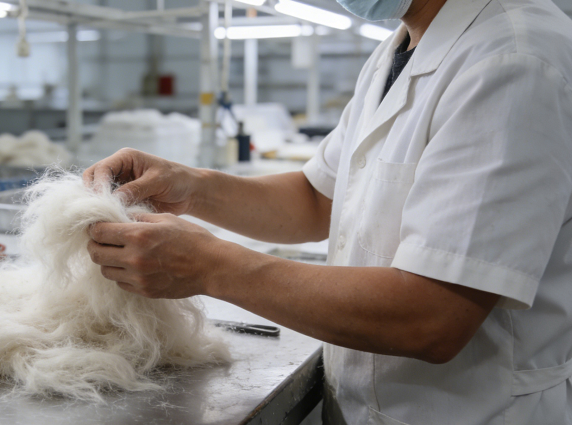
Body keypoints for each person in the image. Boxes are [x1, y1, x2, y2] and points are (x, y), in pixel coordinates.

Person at [82, 0, 572, 422]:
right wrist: (192, 187)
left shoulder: (514, 59)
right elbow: (318, 199)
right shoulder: (400, 46)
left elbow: (432, 317)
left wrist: (209, 266)